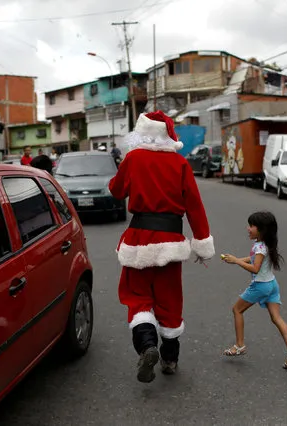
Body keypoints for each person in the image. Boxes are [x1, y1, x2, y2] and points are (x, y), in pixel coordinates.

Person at [108, 111, 215, 383]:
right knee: (170, 300)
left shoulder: (133, 158)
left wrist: (123, 169)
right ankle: (170, 359)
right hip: (171, 240)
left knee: (137, 297)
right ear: (168, 136)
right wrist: (201, 242)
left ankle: (147, 346)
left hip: (139, 240)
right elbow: (194, 205)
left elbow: (117, 191)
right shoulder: (180, 164)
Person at [220, 211, 287, 369]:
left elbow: (255, 268)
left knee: (237, 310)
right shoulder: (266, 244)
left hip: (261, 286)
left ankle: (240, 345)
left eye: (251, 226)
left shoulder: (260, 246)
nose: (248, 228)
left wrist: (236, 261)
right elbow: (255, 259)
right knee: (276, 318)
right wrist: (235, 260)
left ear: (261, 229)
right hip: (272, 284)